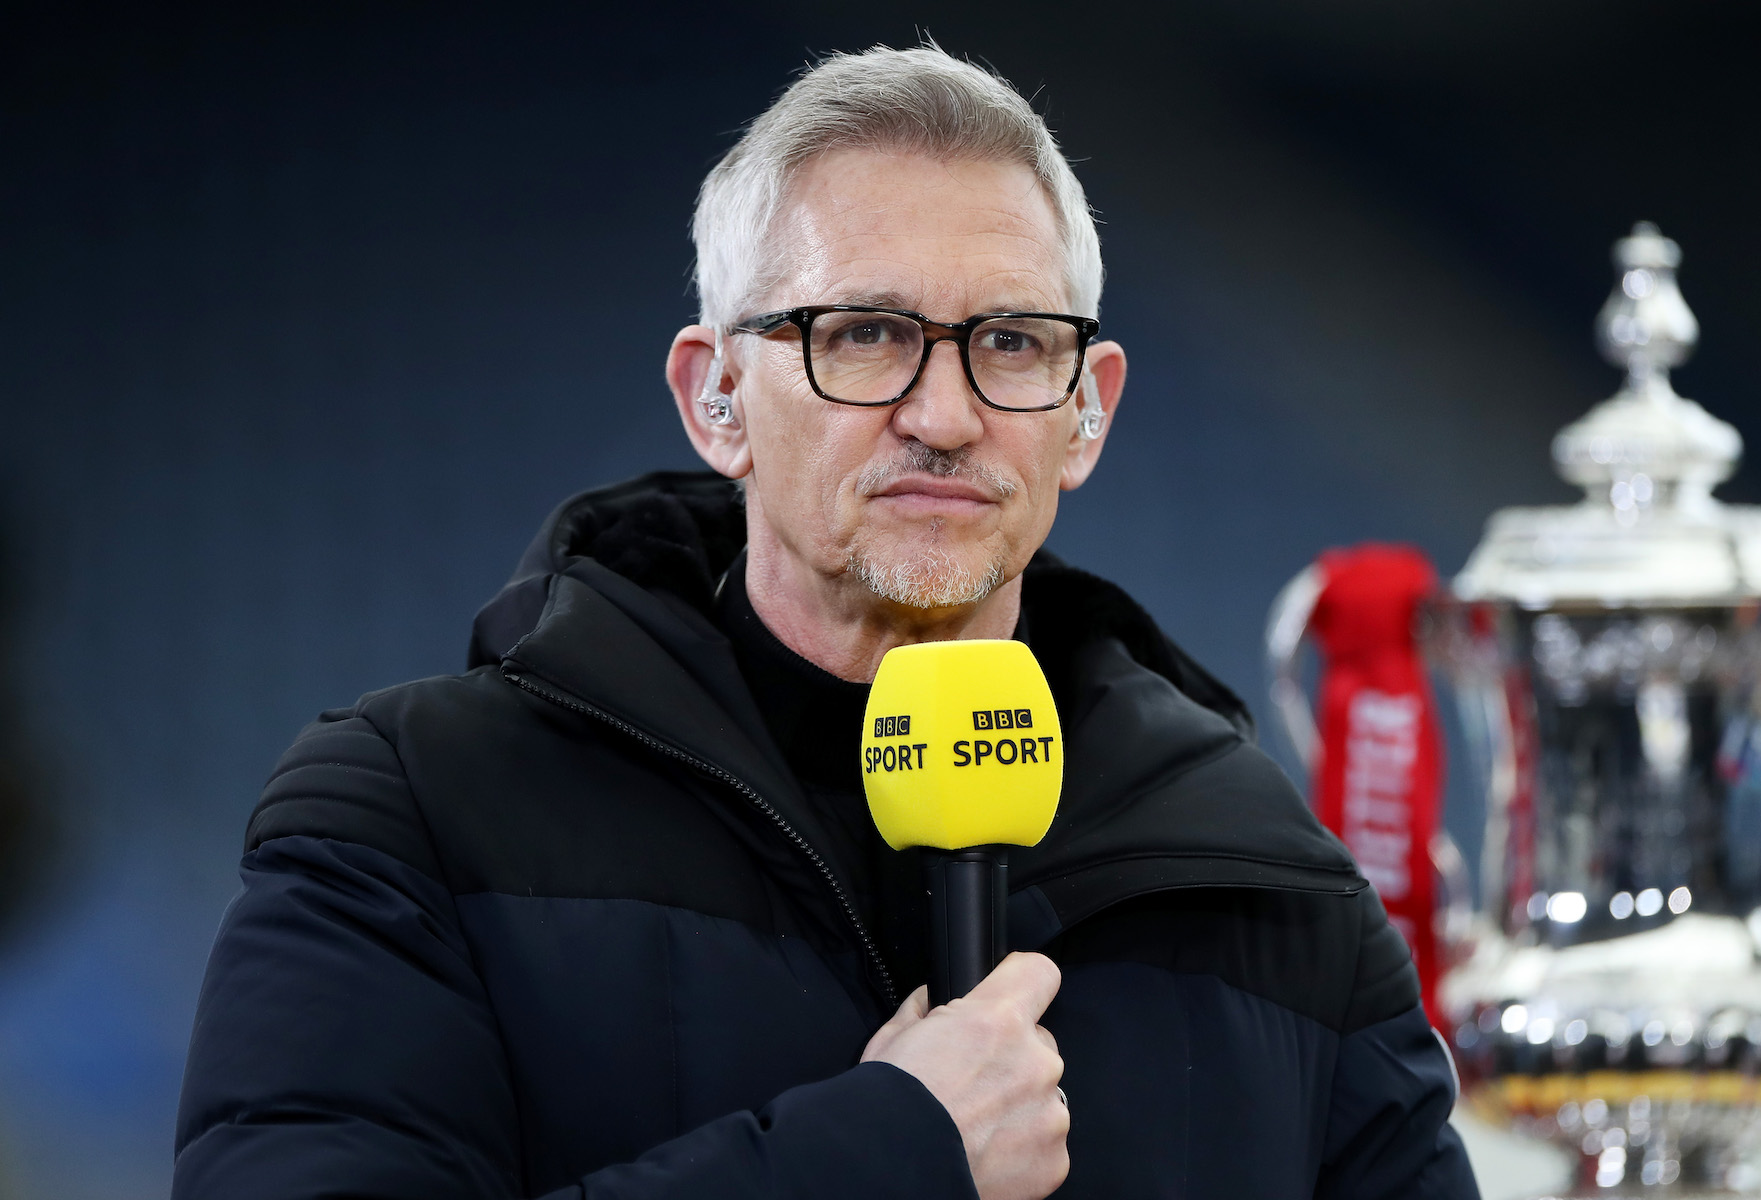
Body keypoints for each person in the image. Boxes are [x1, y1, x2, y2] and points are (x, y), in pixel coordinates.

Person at [172, 45, 1480, 1200]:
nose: (945, 414)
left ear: (1089, 409)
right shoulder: (412, 811)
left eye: (1013, 344)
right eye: (864, 333)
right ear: (717, 396)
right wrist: (890, 1153)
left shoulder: (1275, 889)